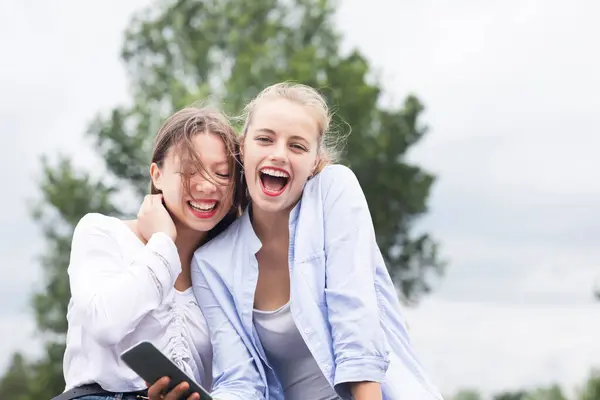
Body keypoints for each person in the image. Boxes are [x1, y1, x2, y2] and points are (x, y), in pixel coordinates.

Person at [191, 82, 444, 400]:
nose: (279, 154)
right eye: (265, 139)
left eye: (297, 146)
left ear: (314, 161)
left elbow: (356, 323)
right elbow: (240, 382)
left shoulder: (334, 190)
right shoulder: (211, 262)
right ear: (243, 147)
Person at [53, 106, 244, 400]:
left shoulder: (225, 271)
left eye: (222, 174)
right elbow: (105, 323)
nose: (207, 185)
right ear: (157, 174)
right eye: (190, 171)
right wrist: (163, 242)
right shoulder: (102, 232)